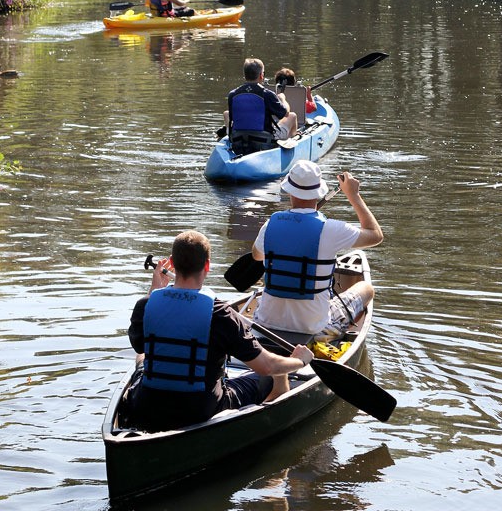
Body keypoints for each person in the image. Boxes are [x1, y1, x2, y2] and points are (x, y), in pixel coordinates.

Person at [125, 230, 313, 432]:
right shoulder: (220, 314)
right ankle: (278, 393)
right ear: (207, 265)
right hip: (199, 409)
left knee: (142, 357)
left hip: (147, 405)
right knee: (273, 374)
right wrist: (300, 360)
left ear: (173, 263)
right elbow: (266, 366)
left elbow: (141, 344)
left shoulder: (146, 305)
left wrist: (154, 292)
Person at [251, 160, 383, 339]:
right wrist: (353, 195)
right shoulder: (332, 229)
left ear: (289, 189)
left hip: (266, 324)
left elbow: (256, 256)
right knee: (366, 289)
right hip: (313, 328)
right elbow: (375, 235)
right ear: (319, 190)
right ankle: (330, 333)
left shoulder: (270, 223)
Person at [222, 58, 297, 149]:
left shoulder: (232, 94)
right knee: (292, 116)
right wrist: (282, 99)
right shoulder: (267, 94)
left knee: (227, 113)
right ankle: (290, 144)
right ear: (261, 75)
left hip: (238, 139)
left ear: (245, 75)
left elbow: (233, 117)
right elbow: (285, 113)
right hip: (263, 141)